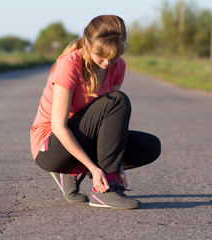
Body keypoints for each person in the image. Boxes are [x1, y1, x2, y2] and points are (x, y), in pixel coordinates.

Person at [30, 15, 161, 209]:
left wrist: (115, 165)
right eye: (101, 55)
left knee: (150, 146)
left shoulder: (118, 65)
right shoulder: (70, 64)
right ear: (87, 43)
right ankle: (103, 191)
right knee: (117, 100)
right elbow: (59, 126)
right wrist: (94, 168)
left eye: (113, 56)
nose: (108, 63)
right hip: (50, 145)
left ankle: (76, 170)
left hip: (85, 138)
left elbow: (111, 121)